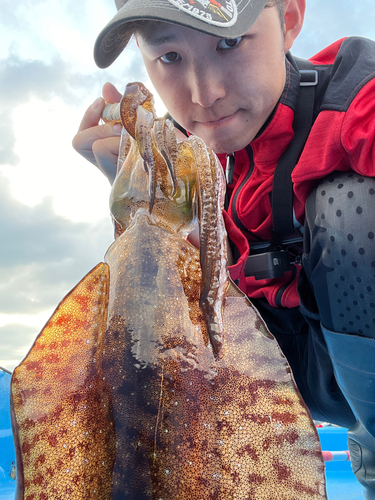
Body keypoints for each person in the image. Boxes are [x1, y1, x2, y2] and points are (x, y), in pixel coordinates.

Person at [72, 0, 375, 497]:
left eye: (230, 42)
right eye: (169, 57)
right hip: (261, 376)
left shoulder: (353, 100)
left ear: (290, 20)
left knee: (352, 208)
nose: (205, 94)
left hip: (349, 366)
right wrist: (139, 204)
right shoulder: (168, 156)